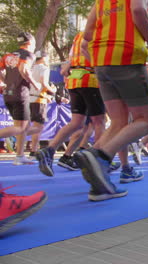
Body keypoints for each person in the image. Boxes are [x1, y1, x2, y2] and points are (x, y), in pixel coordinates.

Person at [73, 0, 148, 201]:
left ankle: (96, 174)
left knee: (119, 122)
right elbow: (137, 9)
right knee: (146, 121)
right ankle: (101, 158)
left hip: (101, 62)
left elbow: (87, 36)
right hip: (127, 56)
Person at [35, 32, 107, 179]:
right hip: (90, 79)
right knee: (99, 122)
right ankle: (98, 160)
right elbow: (87, 52)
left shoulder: (79, 35)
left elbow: (66, 65)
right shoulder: (100, 33)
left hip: (74, 80)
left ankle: (49, 150)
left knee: (76, 123)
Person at [0, 32, 44, 165]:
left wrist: (4, 82)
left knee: (19, 125)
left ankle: (20, 156)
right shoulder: (28, 54)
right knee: (22, 128)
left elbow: (1, 70)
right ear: (30, 42)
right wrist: (34, 83)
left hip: (8, 93)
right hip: (20, 93)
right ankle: (19, 155)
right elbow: (24, 69)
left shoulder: (8, 55)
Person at [29, 51, 56, 158]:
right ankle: (33, 150)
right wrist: (52, 90)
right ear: (44, 58)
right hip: (38, 100)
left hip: (27, 98)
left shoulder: (29, 67)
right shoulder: (43, 68)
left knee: (26, 125)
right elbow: (43, 83)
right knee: (38, 127)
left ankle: (22, 150)